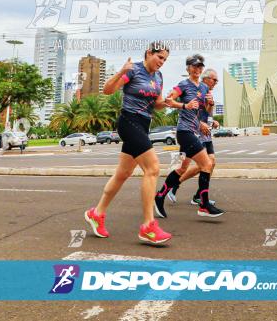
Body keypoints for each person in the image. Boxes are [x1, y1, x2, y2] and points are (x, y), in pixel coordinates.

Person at [84, 42, 172, 245]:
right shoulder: (134, 71)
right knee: (153, 168)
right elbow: (107, 90)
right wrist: (122, 71)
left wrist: (167, 101)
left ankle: (97, 213)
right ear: (149, 53)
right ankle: (148, 226)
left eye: (165, 60)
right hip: (128, 121)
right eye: (160, 58)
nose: (162, 62)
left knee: (123, 173)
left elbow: (157, 104)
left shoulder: (158, 77)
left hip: (143, 125)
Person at [154, 54, 224, 218]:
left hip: (196, 132)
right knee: (207, 164)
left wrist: (210, 105)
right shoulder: (183, 85)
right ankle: (204, 205)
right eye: (194, 66)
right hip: (185, 132)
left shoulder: (204, 88)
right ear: (188, 68)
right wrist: (185, 105)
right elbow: (168, 100)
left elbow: (205, 113)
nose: (197, 69)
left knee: (182, 168)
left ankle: (160, 195)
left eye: (200, 66)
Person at [168, 68, 220, 206]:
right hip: (191, 133)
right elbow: (189, 113)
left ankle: (199, 196)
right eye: (214, 80)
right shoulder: (194, 91)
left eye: (217, 80)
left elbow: (207, 113)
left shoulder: (208, 93)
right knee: (184, 166)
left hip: (204, 134)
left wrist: (211, 120)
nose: (216, 82)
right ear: (206, 79)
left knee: (211, 162)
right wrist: (200, 123)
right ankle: (172, 186)